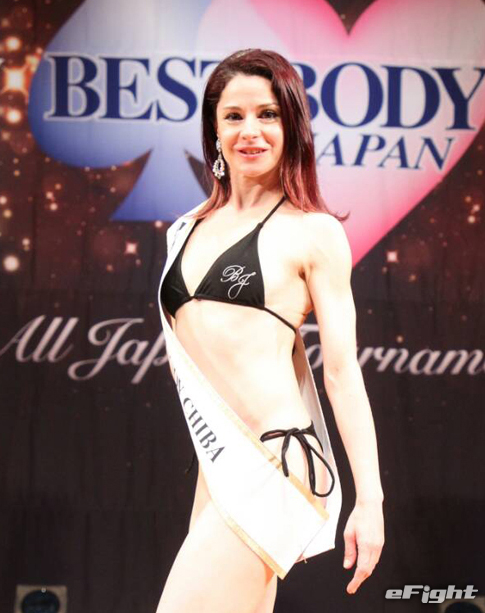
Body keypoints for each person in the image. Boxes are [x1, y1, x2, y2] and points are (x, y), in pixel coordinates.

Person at [156, 48, 384, 613]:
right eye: (233, 116)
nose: (250, 131)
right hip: (217, 463)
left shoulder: (314, 233)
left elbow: (342, 373)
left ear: (292, 127)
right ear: (213, 129)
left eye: (268, 114)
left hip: (277, 461)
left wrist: (370, 500)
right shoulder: (184, 230)